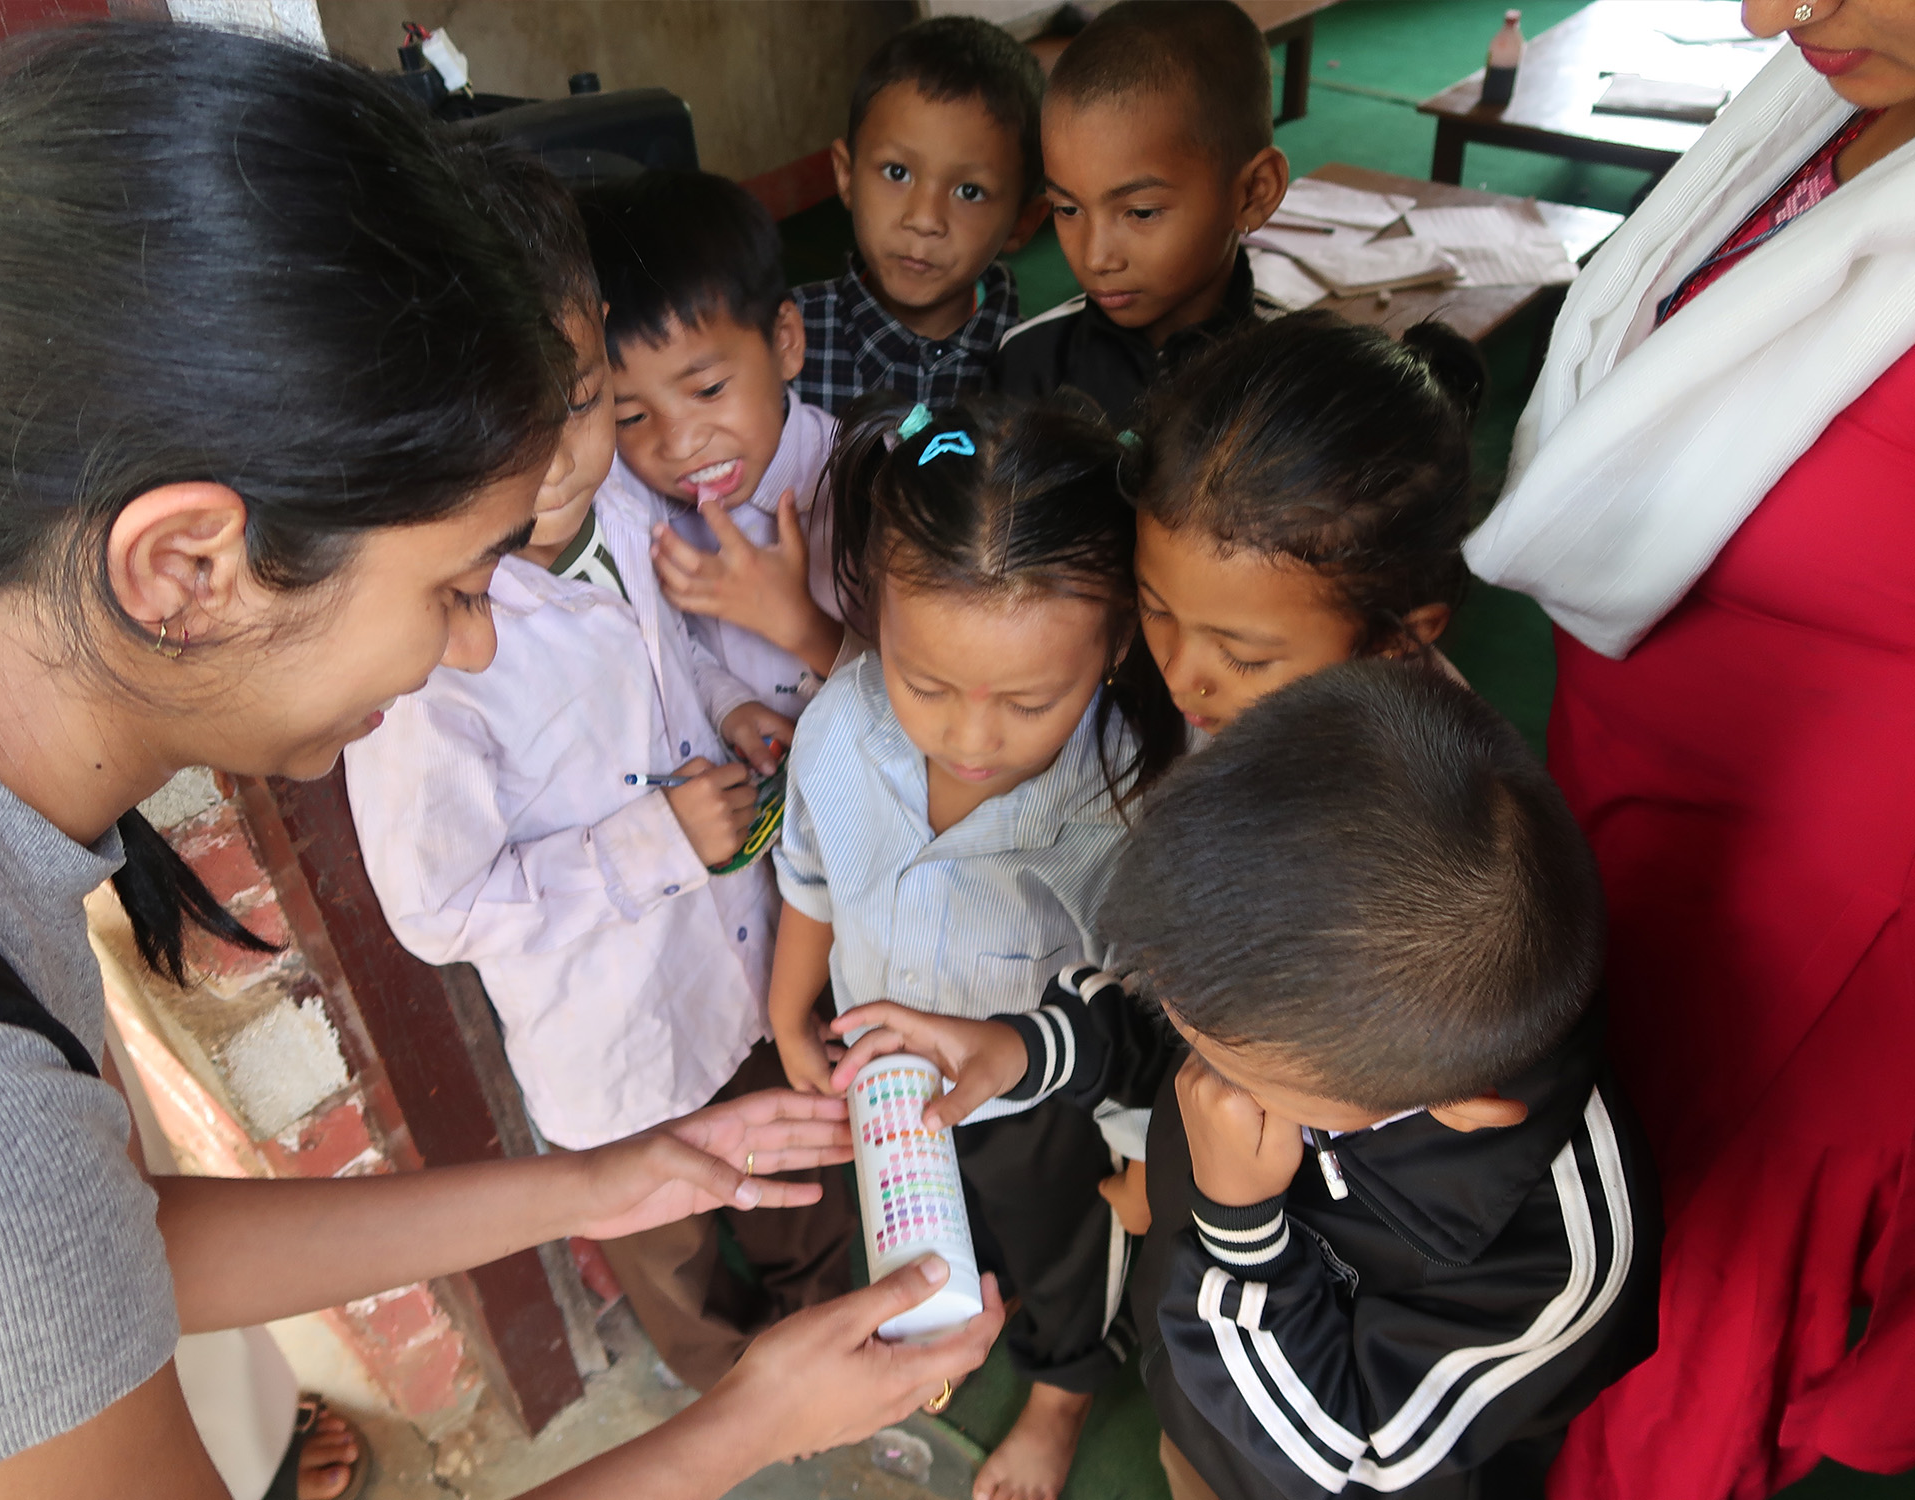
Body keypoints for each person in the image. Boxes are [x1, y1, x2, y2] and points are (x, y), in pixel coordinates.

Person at [0, 25, 1001, 1500]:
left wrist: (601, 1181)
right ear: (190, 564)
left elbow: (113, 1232)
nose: (481, 647)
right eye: (458, 586)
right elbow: (10, 1225)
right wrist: (744, 1424)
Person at [832, 662, 1664, 1500]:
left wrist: (1240, 1228)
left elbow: (1356, 1458)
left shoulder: (1560, 1262)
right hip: (1198, 1386)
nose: (1200, 1087)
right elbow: (1172, 1030)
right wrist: (1026, 1048)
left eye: (1230, 1067)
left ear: (1457, 1110)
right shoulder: (1302, 1017)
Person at [1461, 1, 1915, 1493]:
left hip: (1819, 920)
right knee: (1572, 1178)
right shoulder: (1836, 99)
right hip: (1632, 808)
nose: (1772, 15)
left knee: (1683, 1303)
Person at [343, 145, 853, 1394]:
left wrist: (733, 710)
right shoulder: (424, 664)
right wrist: (655, 844)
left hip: (740, 960)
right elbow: (438, 909)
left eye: (579, 400)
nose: (559, 457)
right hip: (619, 1049)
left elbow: (671, 650)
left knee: (798, 1186)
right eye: (508, 423)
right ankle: (738, 1399)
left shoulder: (619, 506)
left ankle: (831, 1344)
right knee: (675, 1251)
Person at [769, 395, 1172, 1500]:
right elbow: (810, 873)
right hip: (885, 1081)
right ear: (875, 616)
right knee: (924, 1225)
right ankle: (960, 1322)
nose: (970, 734)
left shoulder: (1123, 802)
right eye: (926, 682)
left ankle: (1060, 1393)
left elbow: (1141, 1008)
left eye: (1030, 700)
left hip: (1049, 1109)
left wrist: (1139, 1148)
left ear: (1120, 637)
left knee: (1066, 1259)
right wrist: (786, 1010)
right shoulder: (840, 730)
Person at [1132, 312, 1486, 742]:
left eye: (1245, 658)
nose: (1179, 677)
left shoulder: (1395, 800)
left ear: (1396, 639)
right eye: (1155, 609)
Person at [577, 170, 846, 728]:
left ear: (786, 343)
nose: (680, 444)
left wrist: (799, 623)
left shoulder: (865, 483)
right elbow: (676, 643)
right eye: (629, 417)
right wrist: (730, 704)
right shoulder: (634, 505)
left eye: (709, 390)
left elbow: (932, 686)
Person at [990, 0, 1289, 427]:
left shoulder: (1299, 380)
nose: (1096, 259)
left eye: (1142, 213)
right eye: (1068, 208)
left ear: (1254, 193)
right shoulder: (1028, 368)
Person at [792, 15, 1048, 417]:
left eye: (970, 192)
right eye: (898, 172)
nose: (925, 219)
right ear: (846, 175)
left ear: (1023, 222)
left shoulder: (1044, 369)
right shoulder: (782, 339)